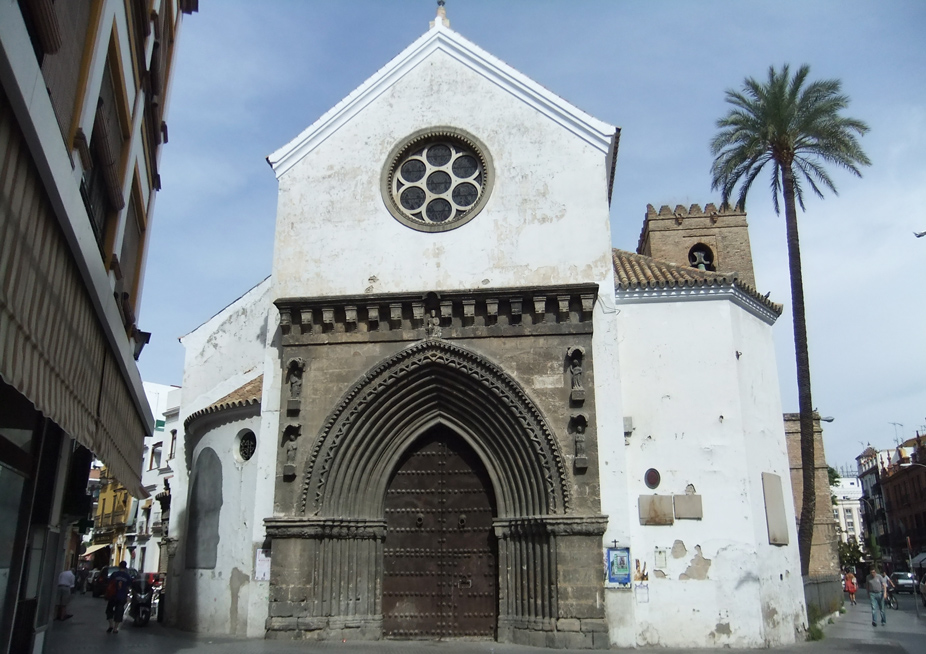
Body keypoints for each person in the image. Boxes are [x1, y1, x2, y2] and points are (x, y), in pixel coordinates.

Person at [105, 561, 133, 634]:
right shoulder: (127, 576)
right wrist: (127, 596)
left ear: (119, 566)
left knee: (109, 610)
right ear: (125, 567)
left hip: (112, 595)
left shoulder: (114, 574)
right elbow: (129, 587)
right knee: (119, 611)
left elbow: (109, 584)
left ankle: (110, 625)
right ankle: (115, 628)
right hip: (122, 596)